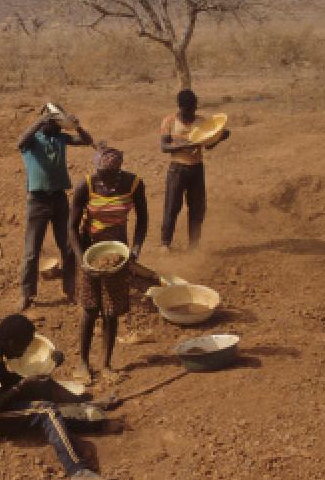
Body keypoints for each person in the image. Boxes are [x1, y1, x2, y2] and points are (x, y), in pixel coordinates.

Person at [0, 314, 103, 479]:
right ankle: (77, 470)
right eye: (24, 347)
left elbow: (6, 379)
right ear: (12, 343)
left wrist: (50, 364)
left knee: (39, 385)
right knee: (46, 410)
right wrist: (22, 386)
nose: (23, 352)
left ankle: (85, 405)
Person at [69, 145, 148, 384]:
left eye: (112, 175)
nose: (107, 180)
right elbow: (71, 227)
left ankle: (106, 363)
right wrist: (82, 260)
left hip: (118, 251)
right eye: (102, 174)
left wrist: (134, 251)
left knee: (111, 311)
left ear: (120, 169)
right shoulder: (86, 185)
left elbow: (143, 219)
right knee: (90, 308)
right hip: (90, 249)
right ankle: (83, 362)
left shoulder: (134, 184)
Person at [18, 108, 93, 311]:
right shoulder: (32, 140)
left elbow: (87, 141)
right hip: (38, 200)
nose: (56, 125)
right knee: (32, 251)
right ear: (45, 121)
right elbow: (20, 141)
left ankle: (70, 290)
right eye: (53, 121)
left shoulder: (61, 138)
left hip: (59, 198)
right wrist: (40, 121)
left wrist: (77, 126)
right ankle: (27, 294)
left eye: (58, 121)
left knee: (68, 247)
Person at [159, 89, 230, 251]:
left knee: (197, 208)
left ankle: (194, 246)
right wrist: (188, 145)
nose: (192, 111)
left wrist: (219, 138)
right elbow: (164, 147)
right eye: (189, 109)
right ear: (180, 107)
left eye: (194, 107)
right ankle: (165, 243)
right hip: (177, 169)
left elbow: (208, 145)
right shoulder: (169, 121)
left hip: (196, 169)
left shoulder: (202, 122)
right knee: (172, 206)